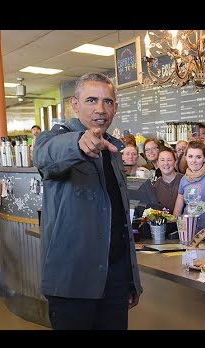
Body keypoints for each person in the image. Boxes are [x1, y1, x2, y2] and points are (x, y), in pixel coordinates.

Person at [33, 72, 142, 330]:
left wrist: (130, 279)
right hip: (73, 281)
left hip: (114, 277)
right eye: (92, 100)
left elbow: (118, 220)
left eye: (108, 102)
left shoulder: (113, 149)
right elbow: (45, 157)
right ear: (75, 104)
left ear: (115, 106)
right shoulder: (56, 138)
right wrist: (78, 145)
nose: (101, 109)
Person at [173, 140, 205, 231]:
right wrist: (177, 229)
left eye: (198, 157)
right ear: (186, 157)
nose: (194, 161)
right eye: (190, 156)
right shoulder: (184, 179)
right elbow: (177, 210)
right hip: (187, 230)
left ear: (204, 158)